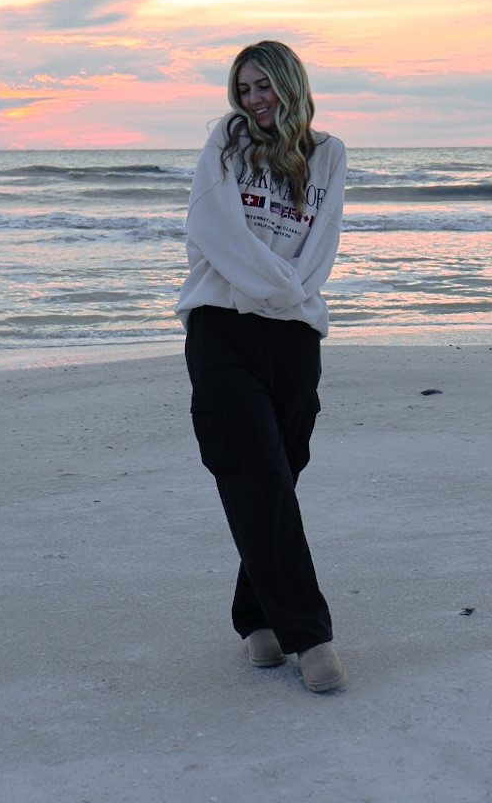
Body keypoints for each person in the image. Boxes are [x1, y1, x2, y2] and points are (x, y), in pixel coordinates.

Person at [176, 40, 348, 693]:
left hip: (296, 333)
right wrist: (276, 289)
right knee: (251, 466)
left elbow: (321, 244)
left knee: (282, 471)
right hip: (221, 326)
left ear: (290, 85)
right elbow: (212, 231)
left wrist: (284, 294)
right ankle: (311, 637)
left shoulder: (328, 155)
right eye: (244, 89)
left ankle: (256, 616)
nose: (254, 100)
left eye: (264, 87)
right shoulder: (225, 143)